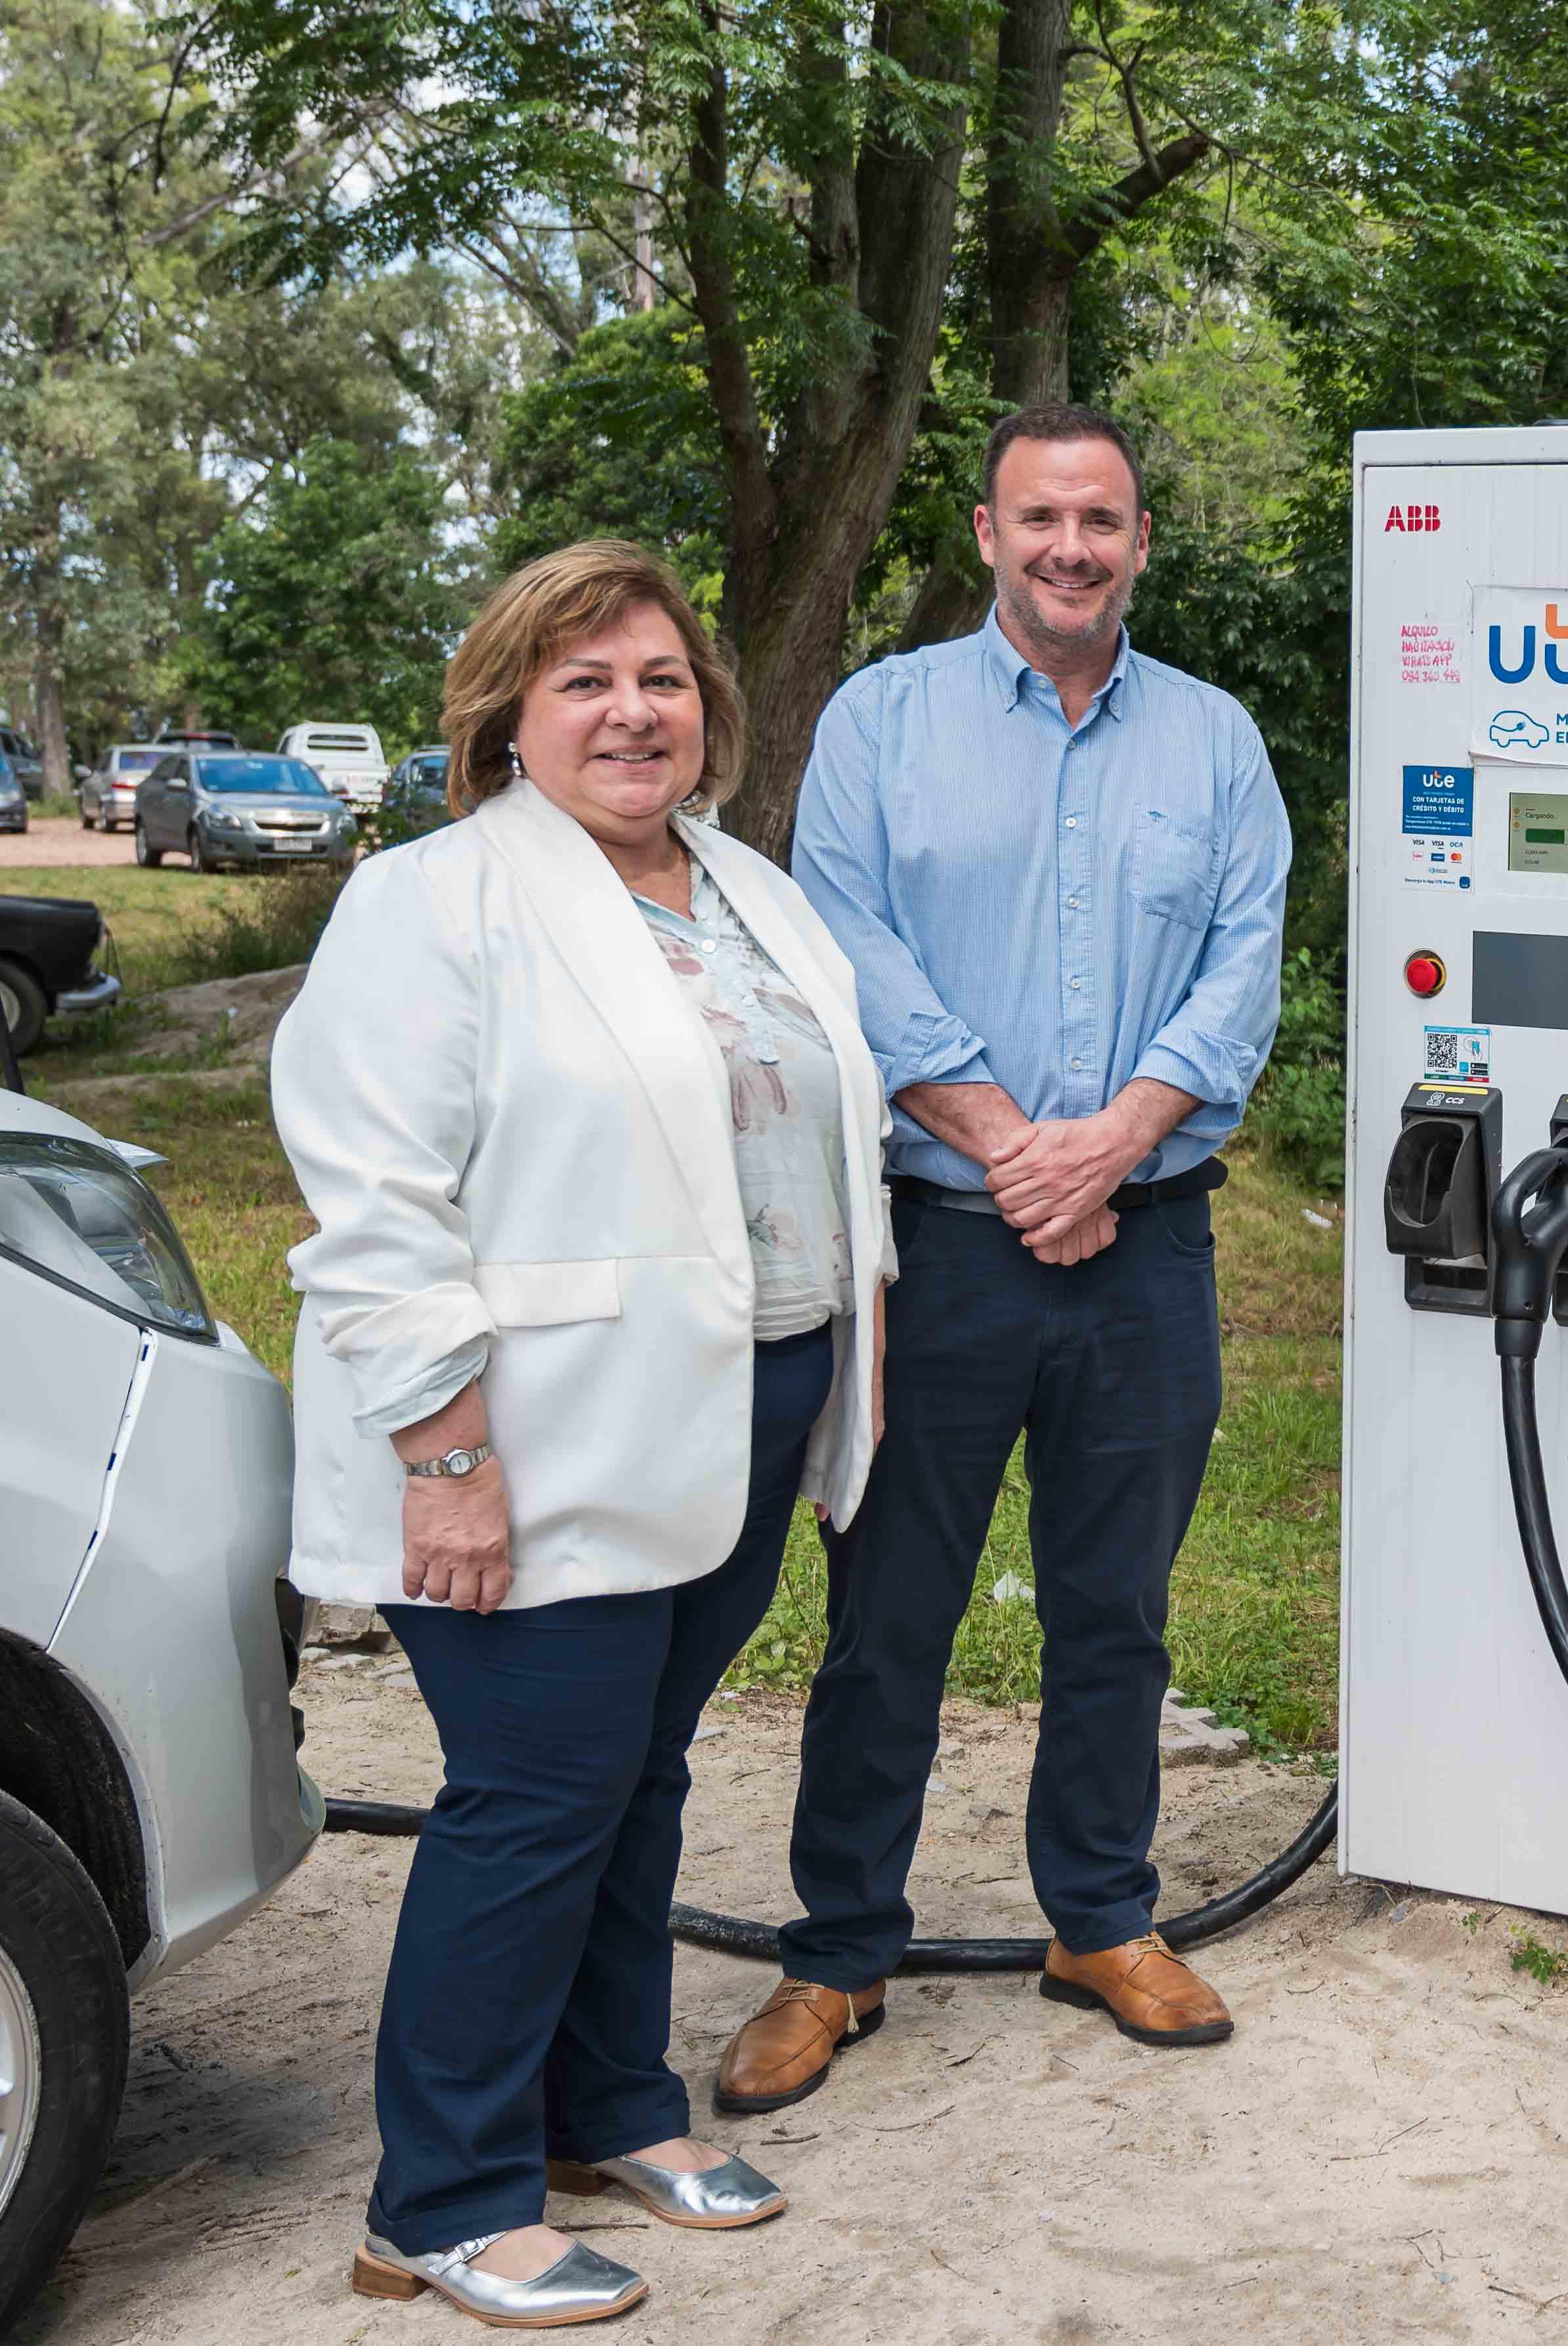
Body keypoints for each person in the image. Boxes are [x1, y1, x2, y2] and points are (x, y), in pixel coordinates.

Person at [273, 540, 896, 2326]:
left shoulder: (750, 889)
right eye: (587, 682)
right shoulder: (432, 900)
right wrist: (448, 1456)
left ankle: (604, 2104)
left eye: (664, 679)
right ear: (507, 713)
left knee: (641, 1771)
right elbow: (375, 1204)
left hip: (745, 1396)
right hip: (526, 1427)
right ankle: (441, 2196)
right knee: (535, 1795)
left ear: (709, 706)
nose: (636, 711)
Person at [718, 402, 1291, 2112]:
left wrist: (1109, 1143)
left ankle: (1098, 1913)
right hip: (942, 1249)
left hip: (1145, 1253)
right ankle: (838, 1948)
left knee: (1116, 1606)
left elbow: (1244, 971)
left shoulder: (1214, 743)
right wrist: (1007, 1145)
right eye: (1041, 518)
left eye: (1100, 521)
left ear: (1135, 541)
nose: (1070, 548)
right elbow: (845, 945)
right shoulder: (881, 725)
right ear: (985, 531)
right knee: (892, 1610)